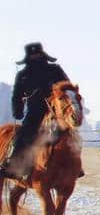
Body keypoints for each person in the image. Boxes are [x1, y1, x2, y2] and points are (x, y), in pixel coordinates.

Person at [0, 43, 70, 179]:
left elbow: (66, 85)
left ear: (42, 54)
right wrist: (18, 111)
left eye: (37, 54)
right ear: (28, 56)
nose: (35, 56)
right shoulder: (23, 75)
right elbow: (17, 96)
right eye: (33, 54)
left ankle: (74, 166)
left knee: (67, 135)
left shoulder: (55, 70)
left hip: (56, 109)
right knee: (23, 135)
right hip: (34, 110)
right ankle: (14, 165)